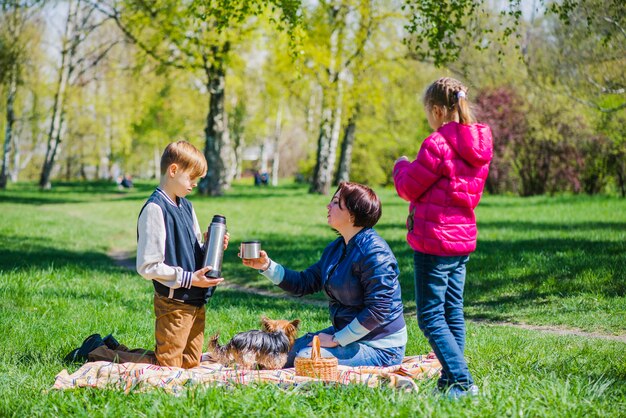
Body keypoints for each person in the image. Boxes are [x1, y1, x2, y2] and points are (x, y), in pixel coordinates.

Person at [66, 141, 228, 369]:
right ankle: (96, 351)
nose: (194, 184)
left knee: (190, 363)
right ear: (173, 170)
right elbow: (147, 266)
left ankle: (113, 348)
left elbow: (194, 252)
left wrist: (212, 246)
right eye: (192, 177)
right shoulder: (155, 209)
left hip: (196, 301)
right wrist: (190, 279)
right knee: (166, 365)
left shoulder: (188, 207)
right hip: (174, 303)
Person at [392, 77, 493, 398]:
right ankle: (450, 383)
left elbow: (409, 187)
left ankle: (462, 380)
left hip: (434, 241)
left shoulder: (437, 144)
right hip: (461, 240)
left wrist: (401, 166)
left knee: (431, 317)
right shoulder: (478, 146)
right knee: (452, 312)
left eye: (427, 112)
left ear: (437, 110)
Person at [242, 182, 406, 367]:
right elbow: (304, 283)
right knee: (278, 355)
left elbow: (378, 310)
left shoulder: (375, 253)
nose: (328, 206)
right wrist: (266, 266)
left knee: (304, 358)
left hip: (380, 346)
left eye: (336, 203)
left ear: (352, 214)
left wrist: (336, 339)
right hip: (348, 334)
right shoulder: (336, 248)